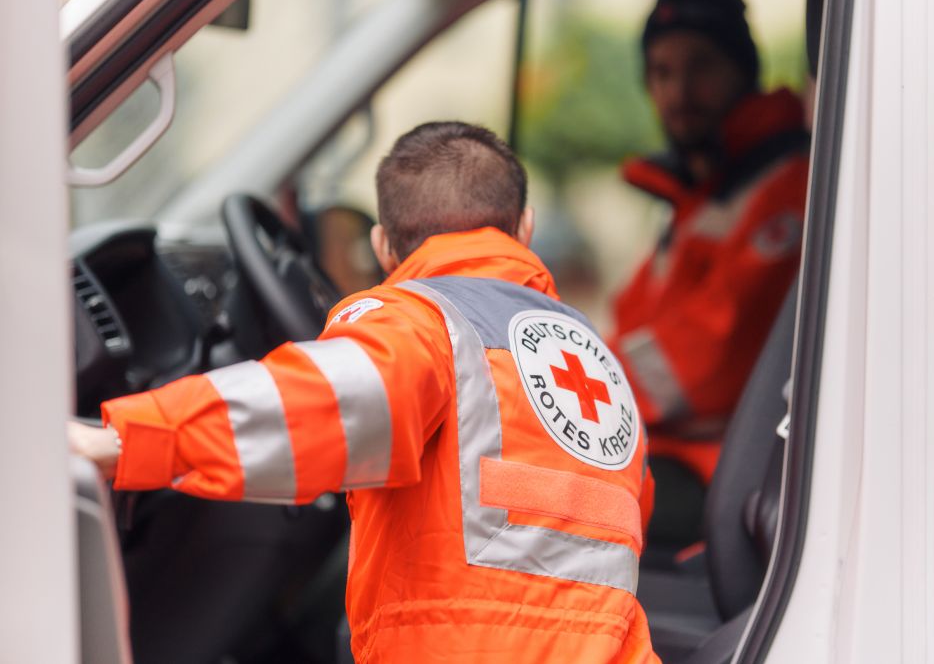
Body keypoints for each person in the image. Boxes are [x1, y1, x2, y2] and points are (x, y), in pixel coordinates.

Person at [70, 121, 660, 663]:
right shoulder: (595, 358)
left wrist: (123, 439)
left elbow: (322, 402)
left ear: (382, 246)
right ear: (524, 228)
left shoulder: (423, 322)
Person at [608, 0, 810, 551]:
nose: (679, 91)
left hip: (723, 473)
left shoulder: (785, 188)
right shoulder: (704, 196)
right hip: (662, 454)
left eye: (702, 66)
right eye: (662, 72)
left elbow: (704, 362)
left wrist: (572, 383)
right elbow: (632, 325)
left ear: (743, 72)